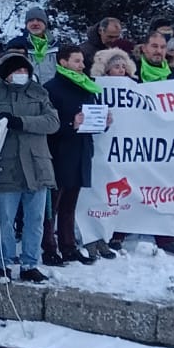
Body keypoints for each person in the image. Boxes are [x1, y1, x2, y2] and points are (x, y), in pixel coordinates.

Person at [0, 52, 59, 283]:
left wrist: (21, 122)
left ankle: (30, 263)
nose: (21, 75)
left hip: (37, 164)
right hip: (7, 165)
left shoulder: (39, 93)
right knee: (5, 220)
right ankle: (4, 263)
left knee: (35, 220)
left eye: (24, 71)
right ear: (6, 75)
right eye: (16, 71)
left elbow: (52, 122)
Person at [43, 42, 107, 267]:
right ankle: (49, 247)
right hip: (59, 151)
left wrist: (103, 122)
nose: (82, 65)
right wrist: (70, 123)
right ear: (63, 62)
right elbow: (48, 123)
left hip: (81, 150)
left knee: (70, 203)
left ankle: (68, 247)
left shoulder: (87, 86)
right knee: (53, 203)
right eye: (77, 61)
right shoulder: (51, 88)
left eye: (82, 61)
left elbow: (92, 116)